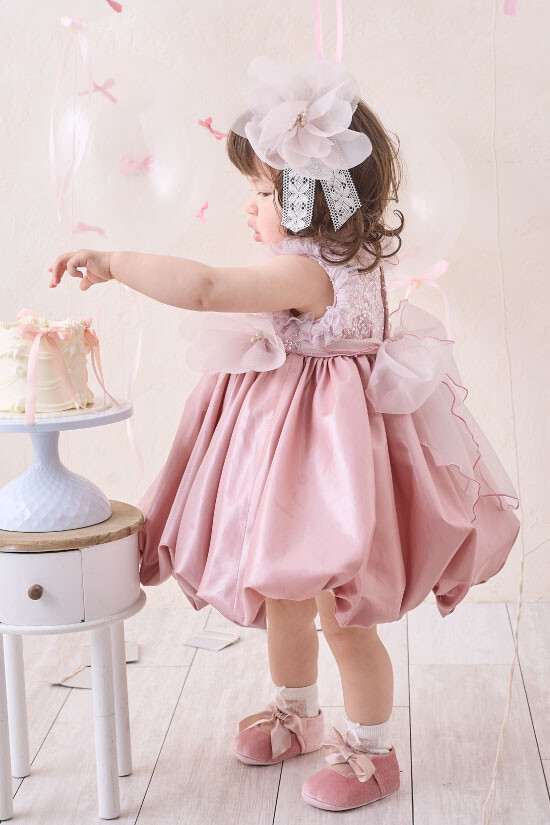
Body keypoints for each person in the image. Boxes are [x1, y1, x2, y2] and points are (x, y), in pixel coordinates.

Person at [48, 55, 520, 813]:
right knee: (286, 595)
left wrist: (114, 261)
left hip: (324, 472)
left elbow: (206, 288)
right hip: (309, 461)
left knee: (339, 612)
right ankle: (298, 712)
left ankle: (372, 751)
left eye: (265, 193)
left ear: (311, 198)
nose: (251, 206)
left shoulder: (308, 274)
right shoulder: (350, 260)